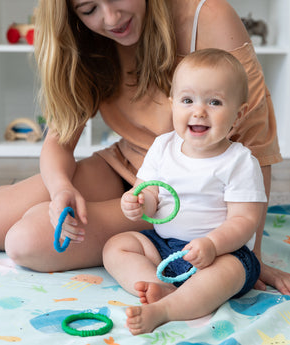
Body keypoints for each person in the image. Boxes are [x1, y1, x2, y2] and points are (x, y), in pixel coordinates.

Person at [0, 0, 289, 294]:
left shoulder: (208, 15)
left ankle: (154, 235)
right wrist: (61, 189)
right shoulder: (86, 39)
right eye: (89, 9)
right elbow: (58, 143)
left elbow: (255, 145)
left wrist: (250, 256)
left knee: (26, 240)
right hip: (126, 164)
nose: (111, 17)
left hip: (178, 194)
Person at [103, 48, 267, 335]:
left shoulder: (239, 161)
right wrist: (139, 203)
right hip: (163, 246)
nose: (199, 111)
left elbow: (244, 221)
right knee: (117, 246)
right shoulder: (162, 147)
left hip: (219, 254)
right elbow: (152, 195)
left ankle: (165, 310)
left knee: (230, 272)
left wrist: (213, 245)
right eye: (187, 100)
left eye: (214, 102)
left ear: (238, 115)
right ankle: (159, 286)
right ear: (173, 105)